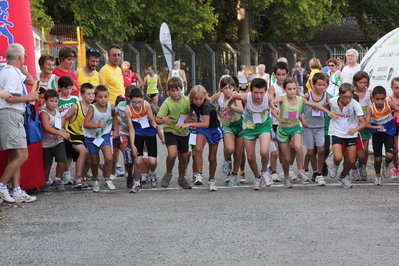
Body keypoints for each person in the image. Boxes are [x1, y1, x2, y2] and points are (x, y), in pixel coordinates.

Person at [271, 77, 335, 188]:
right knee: (286, 159)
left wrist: (327, 112)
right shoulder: (282, 99)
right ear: (285, 90)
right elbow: (270, 102)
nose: (292, 91)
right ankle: (286, 176)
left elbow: (315, 105)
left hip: (295, 128)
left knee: (298, 147)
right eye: (289, 89)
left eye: (294, 89)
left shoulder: (300, 99)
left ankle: (301, 171)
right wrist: (275, 110)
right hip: (283, 130)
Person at [0, 43, 38, 203]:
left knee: (15, 154)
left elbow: (30, 80)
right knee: (22, 155)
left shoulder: (12, 70)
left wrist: (21, 67)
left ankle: (16, 189)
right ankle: (2, 186)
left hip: (15, 114)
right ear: (21, 56)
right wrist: (29, 98)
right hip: (10, 113)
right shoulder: (9, 73)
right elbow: (8, 97)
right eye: (24, 56)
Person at [224, 78, 273, 191]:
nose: (258, 96)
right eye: (255, 92)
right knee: (251, 157)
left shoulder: (268, 97)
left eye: (261, 93)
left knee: (264, 151)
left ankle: (264, 171)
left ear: (265, 91)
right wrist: (228, 104)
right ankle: (257, 177)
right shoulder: (246, 97)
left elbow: (270, 103)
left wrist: (274, 107)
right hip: (249, 128)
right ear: (251, 90)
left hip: (263, 126)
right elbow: (235, 96)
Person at [177, 85, 222, 192]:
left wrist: (189, 124)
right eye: (195, 99)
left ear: (205, 97)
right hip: (202, 129)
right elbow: (192, 107)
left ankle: (212, 180)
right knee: (197, 149)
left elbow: (206, 124)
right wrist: (188, 115)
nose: (198, 101)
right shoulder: (193, 103)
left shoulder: (206, 106)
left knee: (212, 158)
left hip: (213, 130)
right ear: (192, 98)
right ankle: (199, 175)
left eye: (200, 99)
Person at [155, 77, 192, 189]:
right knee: (172, 154)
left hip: (183, 131)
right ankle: (168, 173)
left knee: (183, 157)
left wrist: (191, 118)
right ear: (168, 91)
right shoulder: (167, 103)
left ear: (181, 89)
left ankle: (181, 178)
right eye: (172, 90)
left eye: (177, 90)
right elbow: (157, 119)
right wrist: (164, 121)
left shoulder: (187, 100)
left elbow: (192, 113)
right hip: (170, 130)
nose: (175, 93)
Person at [328, 83, 366, 188]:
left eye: (350, 97)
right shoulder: (332, 101)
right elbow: (323, 107)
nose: (347, 100)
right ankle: (335, 164)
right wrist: (328, 112)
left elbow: (364, 122)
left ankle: (343, 176)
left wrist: (355, 129)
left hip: (350, 133)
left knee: (351, 160)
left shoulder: (355, 104)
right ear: (339, 94)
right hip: (336, 131)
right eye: (345, 97)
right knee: (338, 157)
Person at [210, 76, 244, 186]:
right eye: (225, 88)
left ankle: (234, 174)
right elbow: (208, 101)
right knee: (229, 149)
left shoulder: (236, 97)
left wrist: (230, 106)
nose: (228, 90)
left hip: (239, 126)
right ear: (221, 89)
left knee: (238, 154)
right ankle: (227, 158)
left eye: (230, 88)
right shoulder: (219, 96)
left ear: (234, 88)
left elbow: (241, 110)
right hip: (227, 127)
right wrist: (215, 111)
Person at [83, 85, 117, 192]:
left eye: (105, 97)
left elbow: (115, 117)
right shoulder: (92, 108)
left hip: (105, 135)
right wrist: (97, 125)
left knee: (109, 158)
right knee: (94, 161)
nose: (103, 99)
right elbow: (85, 124)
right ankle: (95, 179)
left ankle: (107, 179)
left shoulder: (111, 107)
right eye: (100, 97)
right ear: (96, 98)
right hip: (92, 137)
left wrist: (115, 129)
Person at [125, 88, 159, 193]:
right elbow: (131, 129)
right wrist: (133, 145)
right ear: (130, 100)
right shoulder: (128, 110)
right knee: (138, 161)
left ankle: (152, 173)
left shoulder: (146, 105)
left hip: (150, 134)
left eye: (139, 102)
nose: (137, 105)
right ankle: (136, 183)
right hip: (138, 134)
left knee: (152, 162)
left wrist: (157, 127)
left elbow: (152, 121)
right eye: (134, 102)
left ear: (143, 99)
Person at [62, 83, 95, 189]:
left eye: (93, 94)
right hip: (74, 135)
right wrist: (59, 132)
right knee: (83, 152)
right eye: (88, 94)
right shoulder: (76, 107)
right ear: (82, 95)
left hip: (86, 136)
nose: (91, 96)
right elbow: (64, 118)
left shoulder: (93, 108)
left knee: (91, 157)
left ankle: (81, 178)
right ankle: (77, 178)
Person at [302, 73, 331, 186]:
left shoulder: (326, 96)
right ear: (313, 84)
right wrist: (302, 119)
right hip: (308, 126)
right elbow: (298, 106)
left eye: (324, 85)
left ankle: (319, 174)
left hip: (320, 126)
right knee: (310, 151)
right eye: (319, 85)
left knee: (321, 150)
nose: (322, 87)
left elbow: (332, 103)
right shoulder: (307, 95)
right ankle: (304, 169)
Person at [366, 86, 399, 185]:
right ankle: (378, 175)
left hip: (388, 132)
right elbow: (367, 124)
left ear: (385, 98)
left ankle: (387, 164)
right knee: (377, 159)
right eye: (377, 99)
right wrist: (375, 127)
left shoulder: (388, 104)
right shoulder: (370, 108)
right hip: (377, 134)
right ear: (373, 98)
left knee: (389, 155)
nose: (380, 101)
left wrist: (396, 113)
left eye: (382, 99)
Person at [39, 90, 70, 192]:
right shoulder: (44, 113)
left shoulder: (57, 110)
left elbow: (58, 121)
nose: (54, 103)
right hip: (46, 144)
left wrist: (58, 130)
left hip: (57, 142)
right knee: (47, 165)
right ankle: (45, 181)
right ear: (46, 101)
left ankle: (58, 179)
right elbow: (46, 127)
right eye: (51, 101)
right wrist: (60, 133)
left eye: (56, 101)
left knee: (62, 161)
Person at [350, 71, 372, 181]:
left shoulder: (370, 93)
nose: (363, 85)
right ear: (355, 82)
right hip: (354, 126)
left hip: (366, 125)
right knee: (354, 150)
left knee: (365, 149)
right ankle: (353, 168)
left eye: (365, 82)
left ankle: (362, 166)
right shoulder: (351, 93)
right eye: (360, 82)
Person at [114, 86, 135, 188]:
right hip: (124, 134)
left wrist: (132, 126)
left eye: (132, 96)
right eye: (127, 96)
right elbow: (114, 114)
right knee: (128, 154)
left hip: (137, 133)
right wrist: (116, 129)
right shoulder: (120, 106)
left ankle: (141, 175)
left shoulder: (140, 105)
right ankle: (130, 176)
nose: (129, 99)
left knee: (138, 155)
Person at [388, 77, 399, 178]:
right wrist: (392, 116)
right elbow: (385, 115)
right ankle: (396, 168)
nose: (398, 90)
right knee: (395, 150)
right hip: (394, 126)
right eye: (396, 88)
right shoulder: (389, 100)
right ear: (392, 88)